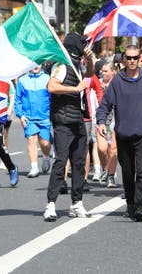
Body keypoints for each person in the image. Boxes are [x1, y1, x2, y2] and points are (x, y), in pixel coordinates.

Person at [97, 45, 142, 221]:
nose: (132, 61)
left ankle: (140, 206)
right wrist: (101, 122)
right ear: (123, 60)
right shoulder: (117, 81)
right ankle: (130, 202)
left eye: (135, 57)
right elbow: (105, 104)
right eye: (128, 58)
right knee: (128, 173)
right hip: (123, 134)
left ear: (140, 58)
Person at [44, 33, 94, 221]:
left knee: (79, 163)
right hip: (63, 122)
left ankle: (77, 203)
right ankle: (50, 204)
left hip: (78, 120)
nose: (86, 46)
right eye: (83, 44)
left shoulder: (76, 63)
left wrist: (89, 59)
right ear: (76, 46)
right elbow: (52, 87)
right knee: (61, 161)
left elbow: (89, 74)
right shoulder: (62, 65)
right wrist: (75, 89)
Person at [15, 65, 53, 178]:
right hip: (28, 118)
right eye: (33, 63)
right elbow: (18, 100)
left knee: (45, 143)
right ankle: (34, 167)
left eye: (38, 63)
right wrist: (21, 115)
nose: (36, 66)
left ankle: (46, 157)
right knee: (31, 140)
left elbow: (53, 98)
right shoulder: (22, 80)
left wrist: (52, 113)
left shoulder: (48, 78)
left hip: (45, 117)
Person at [95, 62, 118, 188]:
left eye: (106, 71)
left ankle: (111, 176)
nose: (102, 73)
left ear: (113, 71)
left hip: (115, 118)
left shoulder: (117, 84)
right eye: (102, 71)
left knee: (113, 149)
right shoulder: (97, 83)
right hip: (101, 119)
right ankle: (106, 169)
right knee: (102, 149)